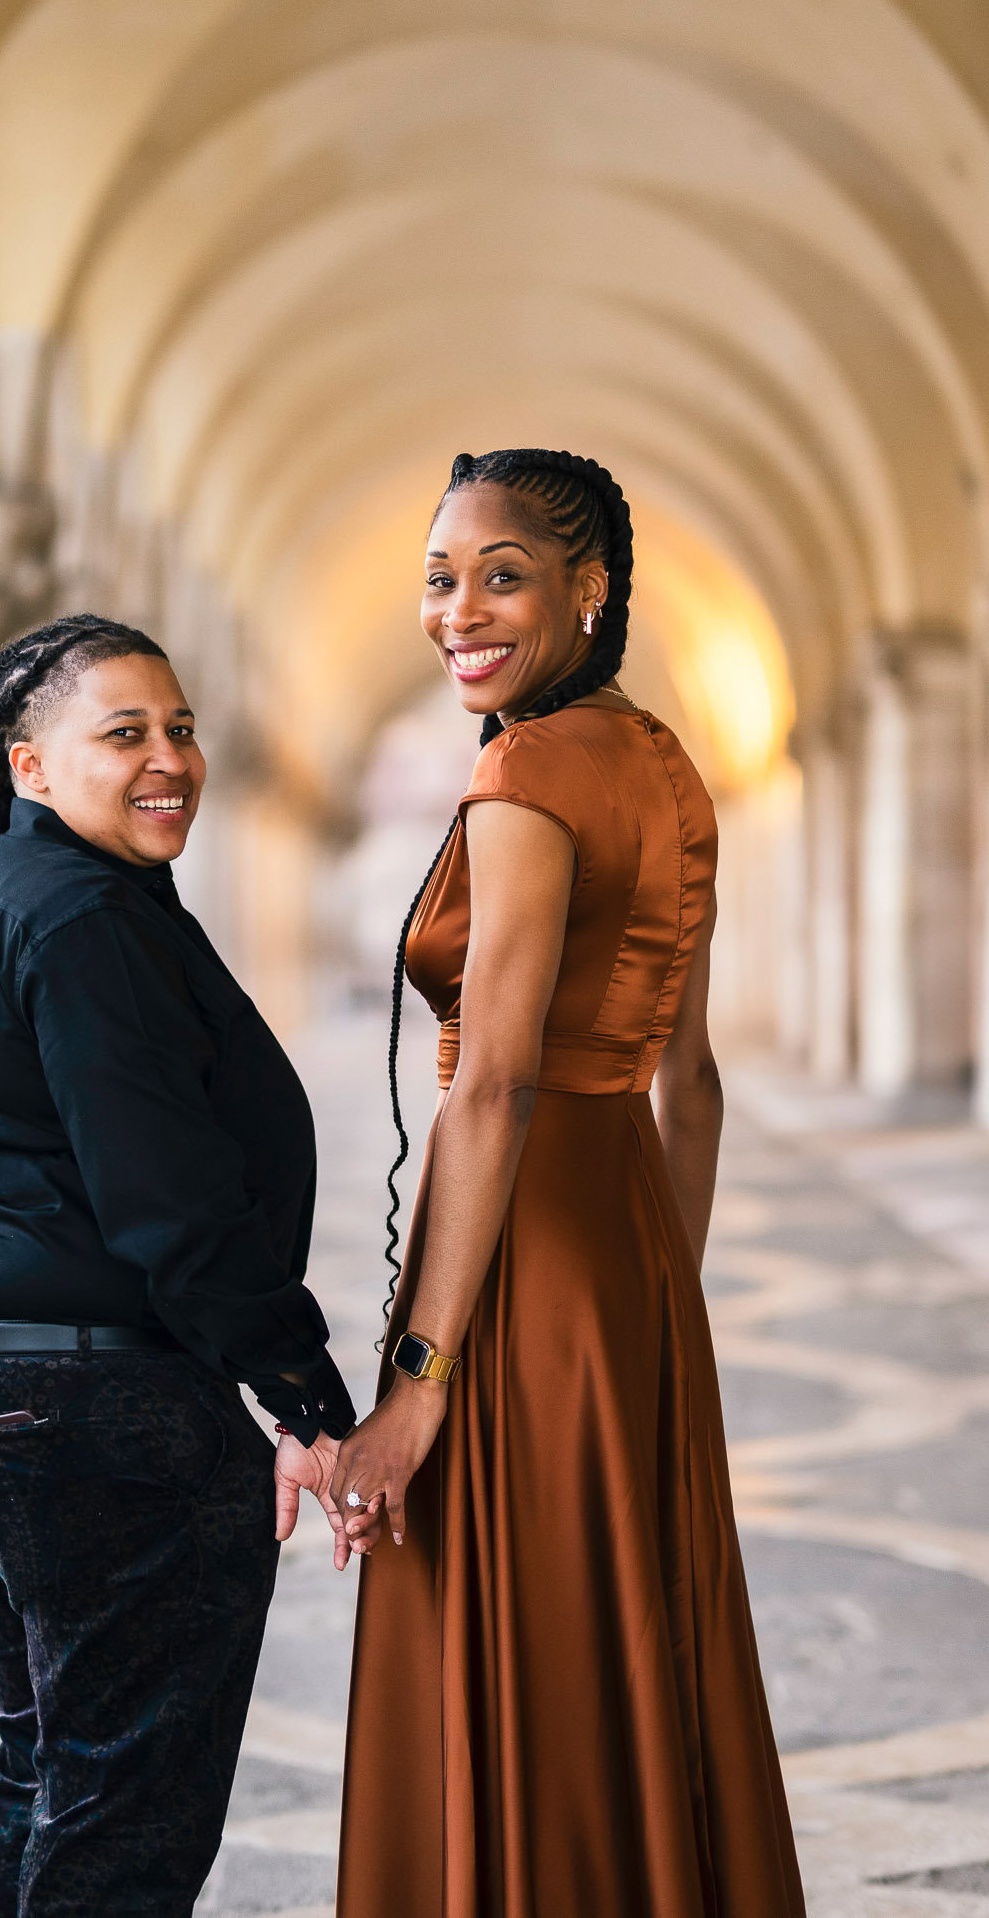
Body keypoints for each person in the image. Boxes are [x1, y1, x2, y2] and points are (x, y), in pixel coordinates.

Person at [332, 452, 805, 1916]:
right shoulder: (668, 764)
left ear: (588, 591)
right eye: (438, 576)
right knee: (629, 1637)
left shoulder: (525, 771)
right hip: (634, 1257)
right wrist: (657, 1289)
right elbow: (695, 1080)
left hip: (525, 1254)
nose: (457, 609)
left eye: (502, 574)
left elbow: (494, 1083)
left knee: (511, 1635)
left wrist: (416, 1380)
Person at [0, 613, 356, 1918]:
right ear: (29, 767)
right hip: (85, 1415)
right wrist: (304, 1399)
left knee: (54, 1767)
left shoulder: (29, 891)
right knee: (121, 1819)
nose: (170, 758)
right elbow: (172, 1207)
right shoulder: (82, 917)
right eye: (124, 733)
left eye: (182, 728)